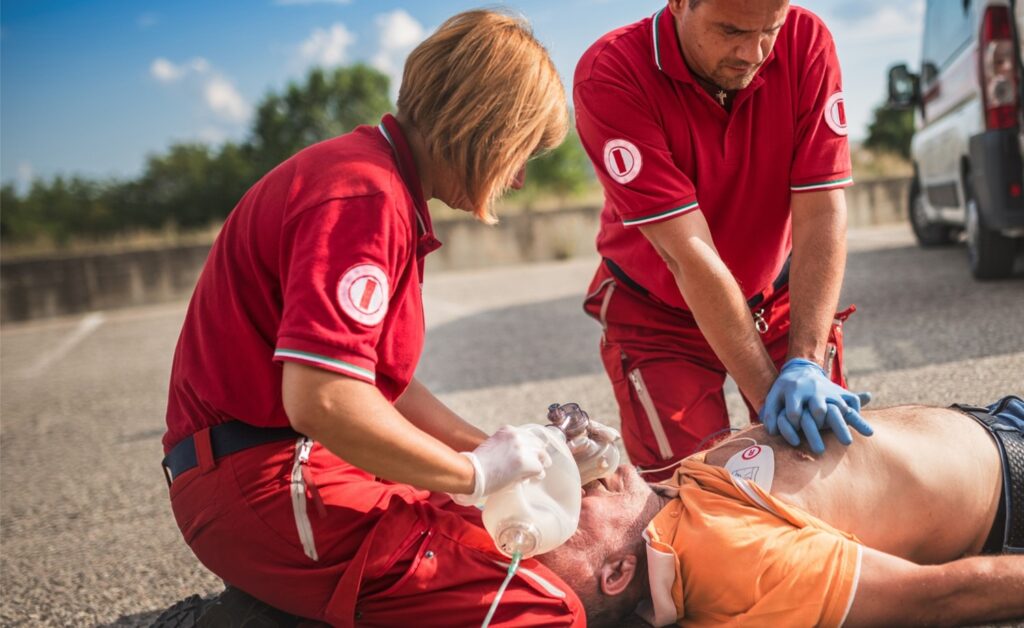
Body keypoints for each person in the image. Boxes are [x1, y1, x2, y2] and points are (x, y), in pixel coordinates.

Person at [160, 10, 590, 627]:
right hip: (266, 478)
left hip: (277, 466)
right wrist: (472, 474)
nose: (519, 180)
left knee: (491, 541)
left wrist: (490, 449)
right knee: (541, 611)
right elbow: (326, 401)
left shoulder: (376, 180)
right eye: (523, 153)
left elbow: (382, 383)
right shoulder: (364, 196)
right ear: (486, 130)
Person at [575, 0, 874, 479]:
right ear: (678, 5)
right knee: (694, 490)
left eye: (768, 31)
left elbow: (821, 211)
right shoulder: (612, 72)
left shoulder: (805, 39)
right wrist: (767, 399)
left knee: (825, 477)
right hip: (660, 315)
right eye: (731, 30)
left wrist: (808, 364)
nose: (753, 52)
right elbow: (686, 253)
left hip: (777, 295)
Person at [536, 396, 1024, 627]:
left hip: (993, 421)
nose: (570, 492)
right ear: (618, 572)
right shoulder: (733, 562)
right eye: (567, 515)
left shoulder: (663, 512)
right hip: (1011, 482)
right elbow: (937, 598)